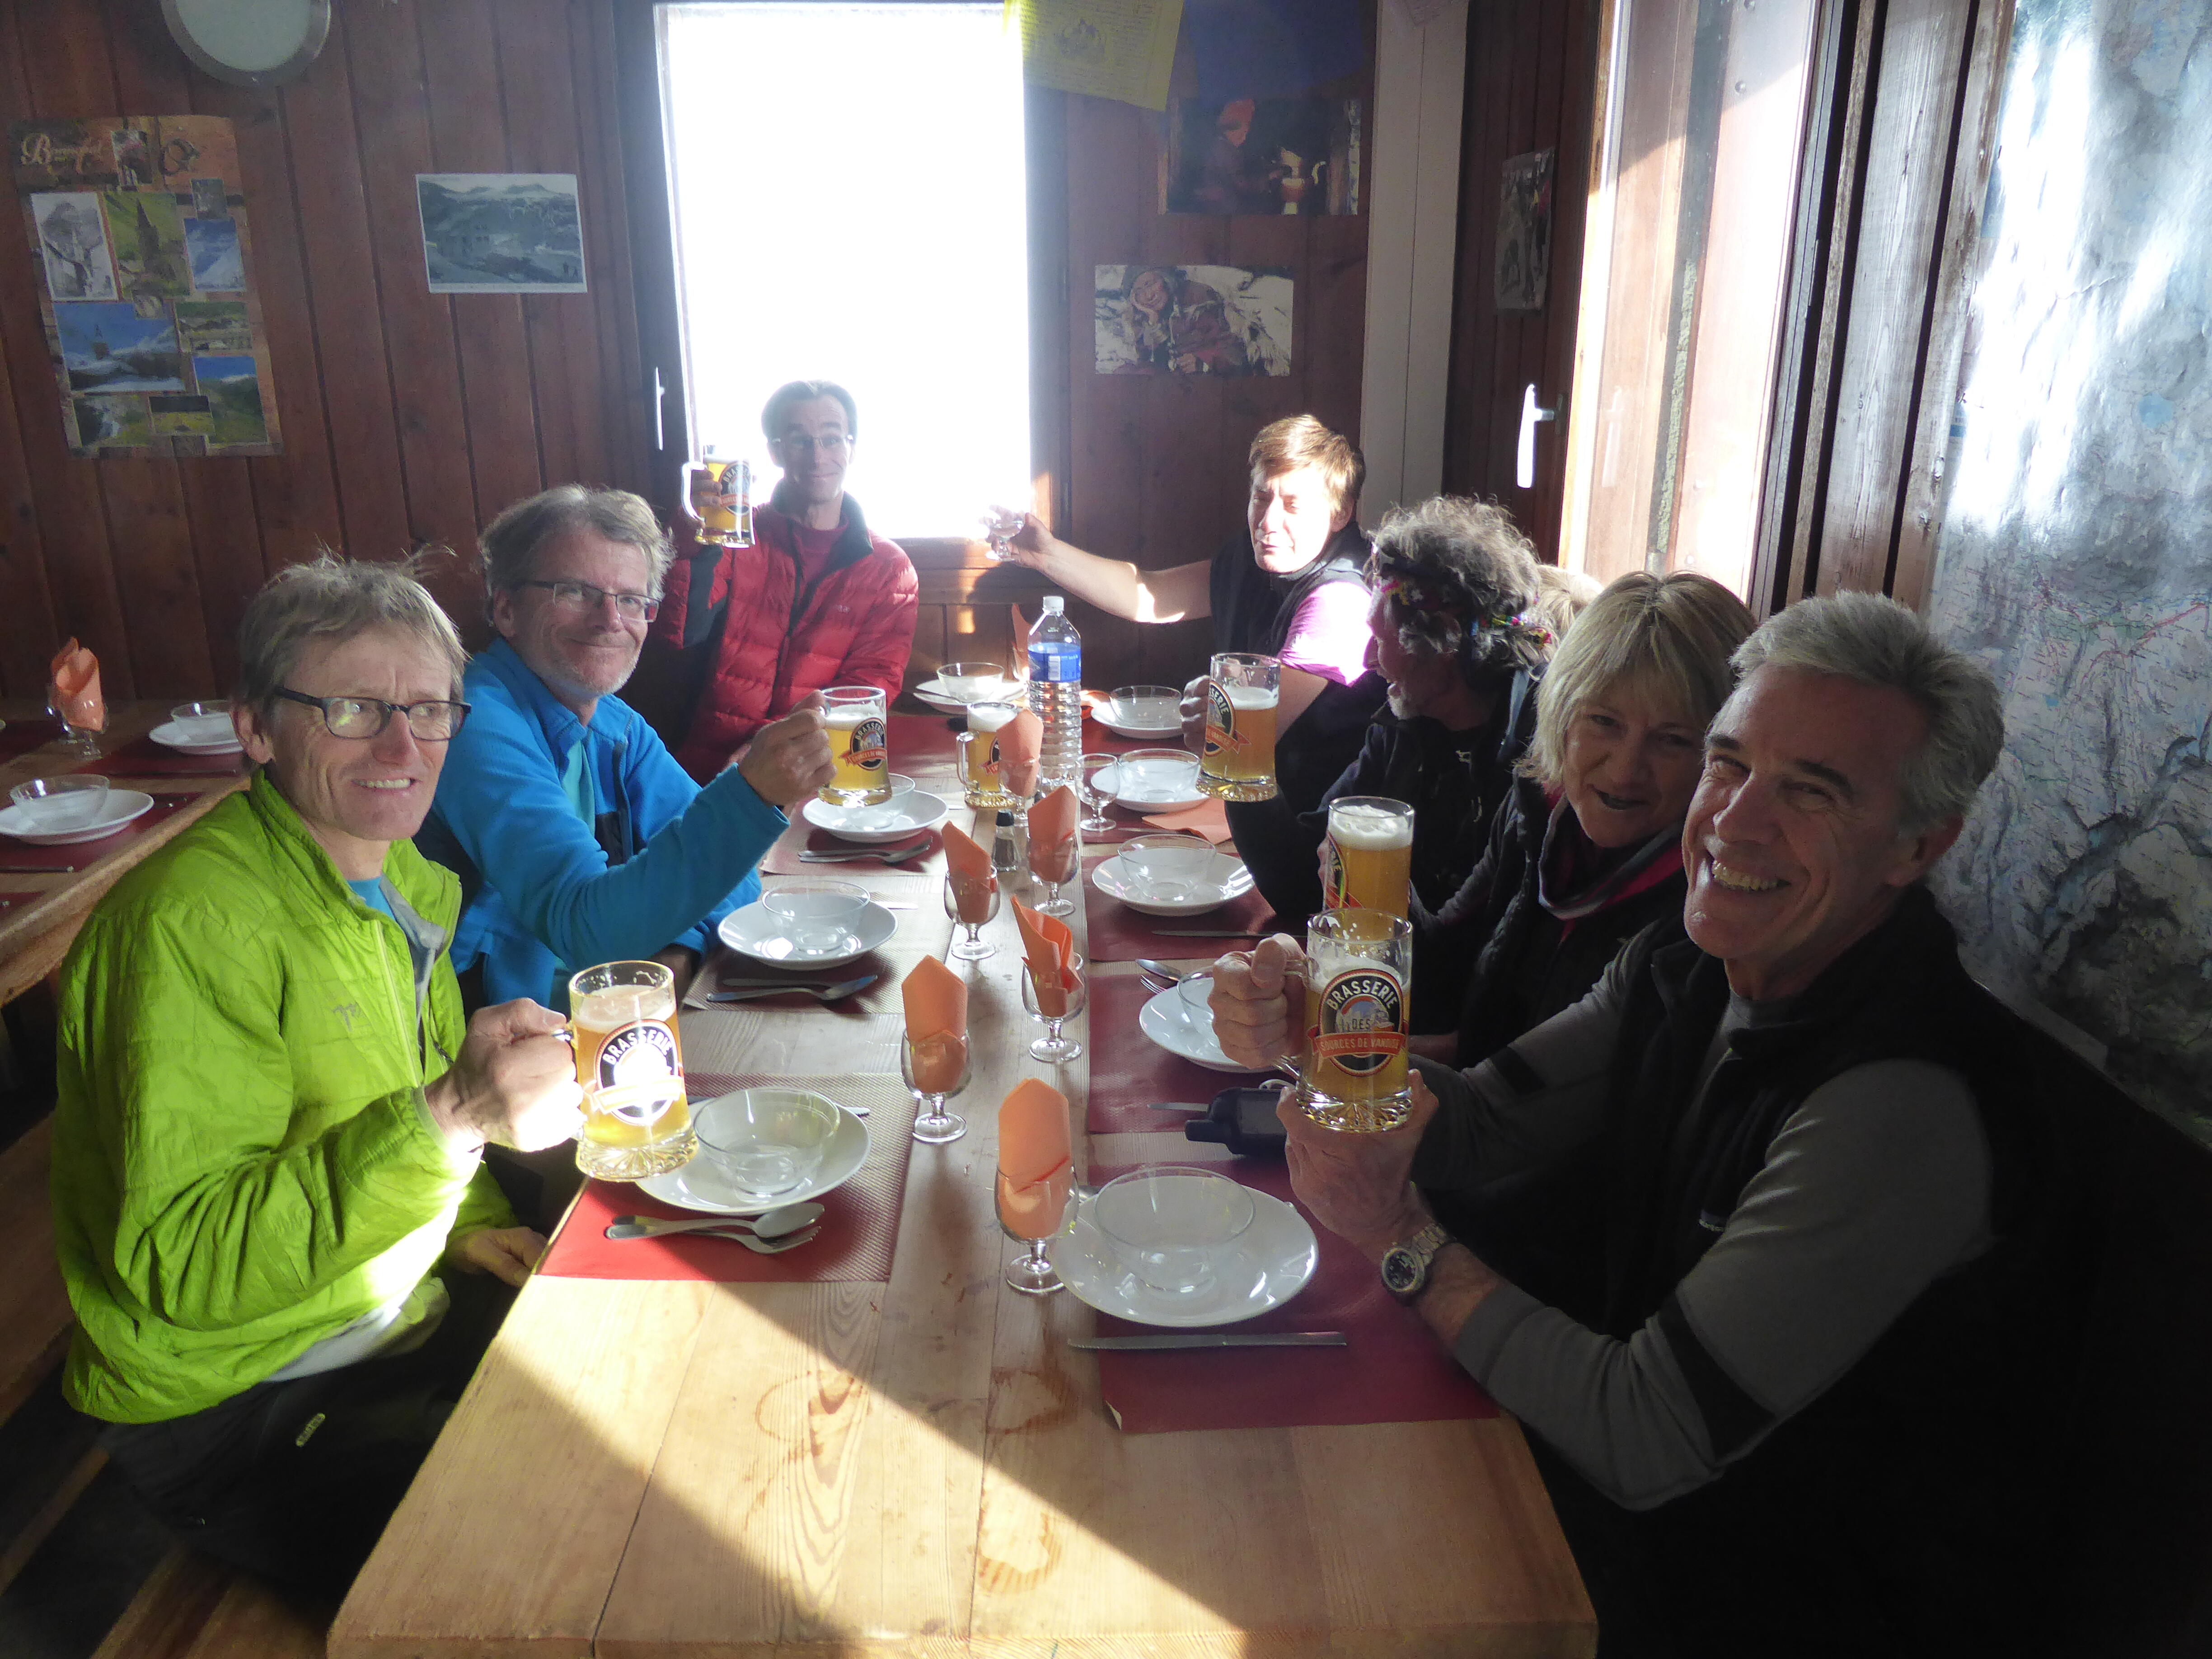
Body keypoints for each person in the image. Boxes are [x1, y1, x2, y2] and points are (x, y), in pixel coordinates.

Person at [1211, 593, 2062, 1655]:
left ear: (1917, 845)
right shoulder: (1688, 961)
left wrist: (1400, 1238)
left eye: (1812, 790)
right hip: (1640, 1529)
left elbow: (1644, 1434)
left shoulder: (1900, 1102)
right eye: (1730, 763)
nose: (1737, 820)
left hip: (1759, 1599)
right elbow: (1485, 1121)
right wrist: (1325, 1028)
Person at [49, 557, 587, 1596]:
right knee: (545, 1573)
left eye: (429, 709)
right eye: (352, 709)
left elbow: (399, 1091)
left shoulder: (407, 881)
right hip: (237, 1397)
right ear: (256, 727)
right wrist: (453, 1115)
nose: (402, 747)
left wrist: (470, 1215)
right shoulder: (188, 928)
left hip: (394, 1305)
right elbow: (183, 1265)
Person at [419, 486, 834, 1012]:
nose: (610, 620)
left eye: (632, 600)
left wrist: (679, 951)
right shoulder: (474, 725)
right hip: (492, 1038)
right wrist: (754, 796)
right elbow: (586, 928)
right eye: (576, 592)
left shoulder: (614, 726)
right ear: (506, 609)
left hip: (605, 1019)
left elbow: (736, 878)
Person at [999, 414, 1387, 895]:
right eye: (1261, 497)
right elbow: (1151, 593)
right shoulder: (1258, 561)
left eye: (1293, 505)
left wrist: (1214, 721)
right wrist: (1045, 554)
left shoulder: (1341, 599)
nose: (1269, 522)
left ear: (1341, 513)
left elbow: (1238, 739)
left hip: (1324, 856)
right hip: (1261, 817)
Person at [1409, 570, 1756, 1061]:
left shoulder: (1714, 899)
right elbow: (1445, 967)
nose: (1625, 771)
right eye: (1604, 722)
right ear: (1561, 711)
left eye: (1673, 740)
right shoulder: (1537, 810)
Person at [1281, 496, 1552, 926]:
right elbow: (1298, 875)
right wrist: (1244, 774)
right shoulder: (1402, 721)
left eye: (1380, 638)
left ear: (1443, 638)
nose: (1368, 659)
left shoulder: (1539, 751)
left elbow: (1485, 943)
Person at [650, 380, 919, 780]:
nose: (817, 456)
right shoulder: (736, 536)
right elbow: (680, 633)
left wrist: (771, 746)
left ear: (852, 449)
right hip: (702, 767)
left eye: (832, 439)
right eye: (799, 441)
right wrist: (694, 534)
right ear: (775, 451)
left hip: (814, 766)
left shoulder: (889, 569)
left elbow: (868, 688)